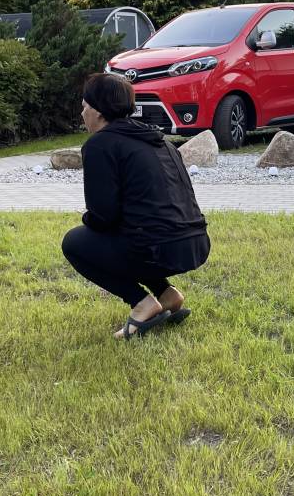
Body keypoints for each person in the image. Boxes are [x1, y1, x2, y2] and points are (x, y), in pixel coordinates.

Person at [61, 72, 211, 339]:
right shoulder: (161, 141)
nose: (82, 113)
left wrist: (88, 222)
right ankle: (167, 294)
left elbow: (103, 214)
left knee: (75, 242)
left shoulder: (100, 144)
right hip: (195, 244)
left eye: (84, 107)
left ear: (98, 111)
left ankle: (142, 303)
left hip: (158, 249)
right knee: (136, 230)